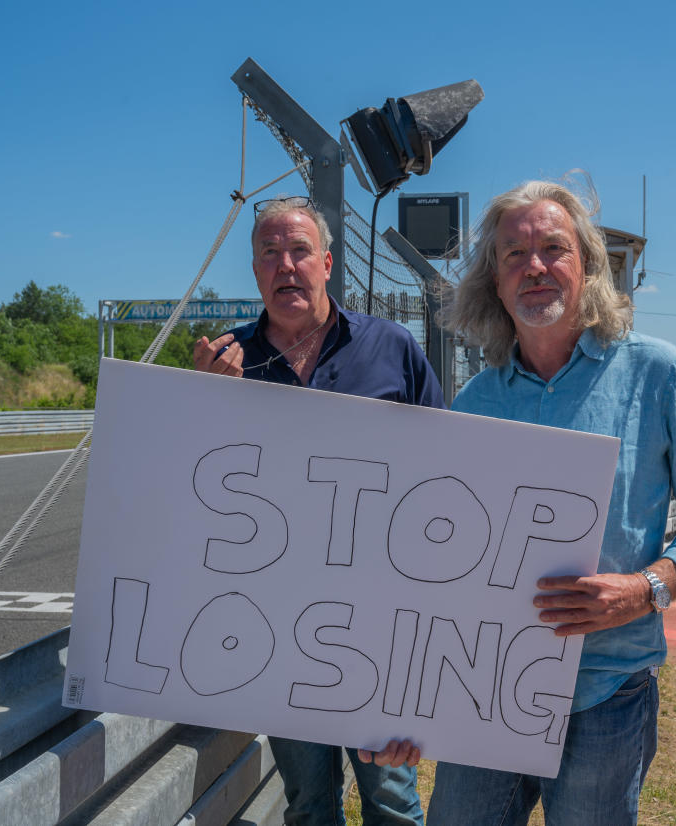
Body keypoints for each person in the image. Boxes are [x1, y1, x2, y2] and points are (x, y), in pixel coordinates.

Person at [426, 180, 676, 825]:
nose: (535, 267)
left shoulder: (658, 375)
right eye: (514, 255)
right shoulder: (474, 405)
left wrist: (647, 588)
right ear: (493, 281)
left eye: (554, 248)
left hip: (607, 686)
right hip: (483, 685)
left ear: (588, 268)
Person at [193, 194, 439, 826]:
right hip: (274, 617)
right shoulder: (224, 365)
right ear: (254, 272)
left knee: (391, 797)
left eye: (299, 251)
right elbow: (192, 490)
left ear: (327, 263)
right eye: (269, 254)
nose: (285, 265)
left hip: (378, 616)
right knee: (307, 801)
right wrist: (202, 403)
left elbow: (445, 472)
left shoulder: (394, 349)